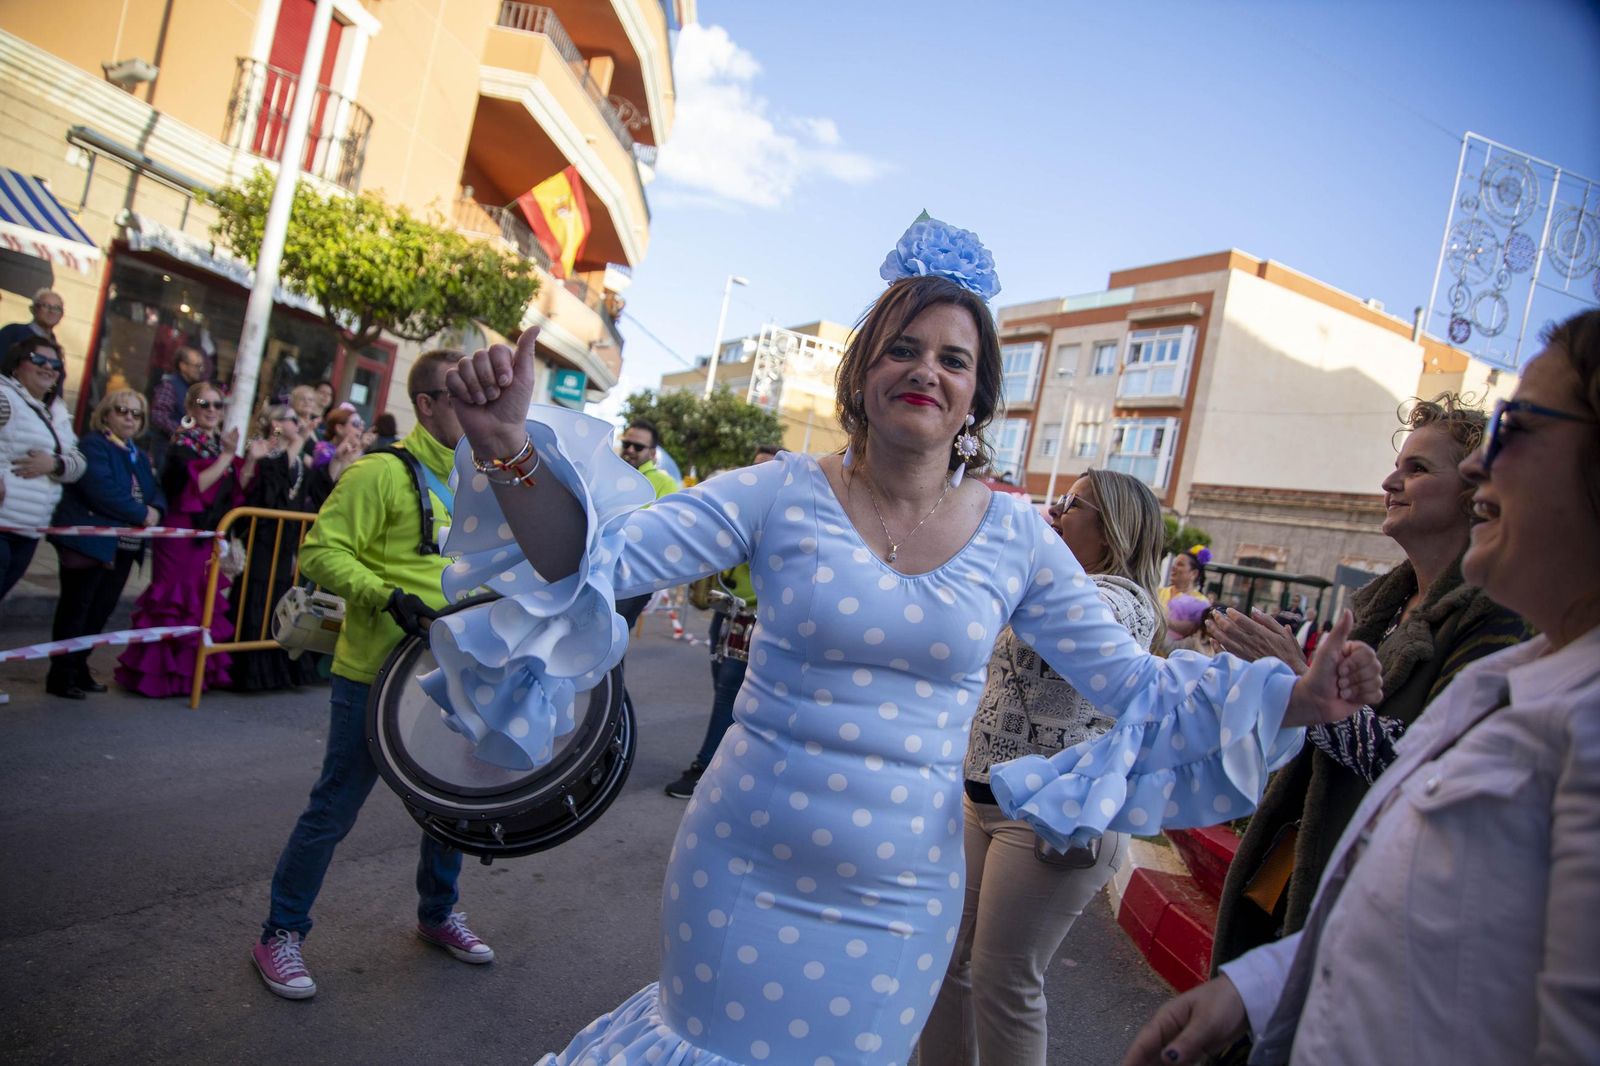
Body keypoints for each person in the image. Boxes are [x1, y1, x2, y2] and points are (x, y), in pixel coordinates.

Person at [429, 216, 1381, 1066]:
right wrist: (507, 443)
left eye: (955, 360)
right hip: (740, 869)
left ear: (976, 396)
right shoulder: (778, 491)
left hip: (897, 907)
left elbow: (1134, 685)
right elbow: (593, 563)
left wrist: (1298, 700)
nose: (927, 370)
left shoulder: (1017, 538)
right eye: (903, 348)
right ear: (864, 371)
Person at [1122, 310, 1600, 1066]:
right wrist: (1258, 986)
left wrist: (1315, 705)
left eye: (1523, 425)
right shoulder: (1497, 660)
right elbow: (1408, 906)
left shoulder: (1551, 691)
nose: (1479, 473)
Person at [1205, 394, 1532, 999]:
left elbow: (1428, 771)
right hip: (1297, 871)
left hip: (1384, 902)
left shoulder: (1497, 618)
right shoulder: (1381, 604)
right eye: (1398, 466)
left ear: (1477, 492)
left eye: (1418, 470)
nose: (1390, 481)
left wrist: (1303, 683)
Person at [250, 349, 495, 1002]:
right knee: (333, 808)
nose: (479, 408)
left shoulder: (480, 478)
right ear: (427, 404)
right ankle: (280, 931)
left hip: (452, 673)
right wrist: (385, 595)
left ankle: (437, 914)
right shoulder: (380, 473)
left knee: (452, 810)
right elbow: (320, 551)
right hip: (375, 676)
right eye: (463, 396)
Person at [921, 468, 1166, 1066]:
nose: (1053, 512)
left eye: (1070, 503)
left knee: (1004, 979)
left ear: (1111, 531)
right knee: (944, 963)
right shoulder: (1051, 578)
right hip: (981, 801)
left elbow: (1077, 629)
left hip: (1048, 818)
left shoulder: (1122, 603)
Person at [115, 382, 265, 697]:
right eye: (204, 404)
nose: (212, 411)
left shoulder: (218, 445)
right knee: (172, 600)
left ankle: (188, 678)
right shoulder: (183, 442)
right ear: (190, 409)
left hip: (207, 534)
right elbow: (196, 486)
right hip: (180, 532)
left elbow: (236, 489)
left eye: (217, 405)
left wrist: (249, 458)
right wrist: (227, 456)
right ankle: (154, 677)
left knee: (201, 602)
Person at [663, 441, 780, 799]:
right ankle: (736, 762)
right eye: (753, 468)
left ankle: (705, 767)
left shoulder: (782, 518)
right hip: (725, 612)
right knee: (725, 691)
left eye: (767, 470)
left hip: (754, 616)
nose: (756, 476)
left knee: (729, 690)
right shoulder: (744, 508)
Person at [45, 390, 166, 699]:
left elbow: (154, 490)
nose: (129, 417)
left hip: (124, 547)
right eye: (122, 410)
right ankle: (61, 673)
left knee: (101, 610)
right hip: (92, 544)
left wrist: (156, 510)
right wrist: (142, 512)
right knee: (77, 608)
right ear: (107, 414)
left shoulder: (136, 452)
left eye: (136, 414)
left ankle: (80, 665)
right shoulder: (93, 445)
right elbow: (101, 490)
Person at [225, 403, 317, 692]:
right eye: (291, 419)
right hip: (261, 538)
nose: (298, 424)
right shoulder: (263, 451)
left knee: (278, 598)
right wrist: (296, 445)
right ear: (275, 423)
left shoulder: (298, 460)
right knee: (256, 595)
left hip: (285, 541)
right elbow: (268, 493)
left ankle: (274, 671)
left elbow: (296, 498)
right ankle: (247, 670)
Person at [0, 337, 86, 602]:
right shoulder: (5, 397)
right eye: (39, 360)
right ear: (17, 366)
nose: (49, 367)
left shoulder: (57, 411)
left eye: (56, 363)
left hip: (28, 530)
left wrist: (54, 463)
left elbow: (78, 464)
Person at [614, 418, 682, 635]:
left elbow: (668, 532)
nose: (630, 450)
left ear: (652, 453)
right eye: (626, 444)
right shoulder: (611, 474)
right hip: (601, 567)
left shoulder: (665, 483)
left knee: (610, 634)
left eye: (639, 447)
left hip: (636, 574)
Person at [148, 345, 209, 464]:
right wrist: (179, 431)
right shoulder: (169, 385)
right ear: (183, 366)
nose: (199, 370)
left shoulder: (195, 389)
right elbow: (158, 415)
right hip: (166, 452)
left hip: (186, 452)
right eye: (196, 366)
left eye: (201, 367)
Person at [306, 405, 365, 504]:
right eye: (356, 424)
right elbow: (328, 485)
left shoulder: (356, 453)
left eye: (361, 424)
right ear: (339, 428)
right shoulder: (323, 449)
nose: (361, 428)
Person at [1159, 545, 1210, 650]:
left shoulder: (1202, 603)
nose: (1174, 567)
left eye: (1180, 564)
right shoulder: (1158, 592)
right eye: (1174, 564)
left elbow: (1191, 630)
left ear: (1194, 573)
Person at [0, 288, 64, 355]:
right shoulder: (13, 332)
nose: (52, 311)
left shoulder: (55, 345)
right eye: (46, 306)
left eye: (57, 308)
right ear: (33, 309)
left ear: (62, 314)